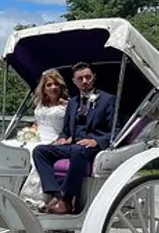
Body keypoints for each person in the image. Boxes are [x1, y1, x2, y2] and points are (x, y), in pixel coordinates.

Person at [32, 62, 117, 215]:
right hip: (72, 146)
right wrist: (63, 139)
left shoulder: (107, 99)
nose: (84, 81)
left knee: (78, 151)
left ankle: (66, 200)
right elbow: (65, 130)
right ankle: (54, 193)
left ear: (94, 78)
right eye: (80, 78)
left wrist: (97, 141)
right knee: (40, 151)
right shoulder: (72, 103)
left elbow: (115, 129)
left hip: (92, 147)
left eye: (88, 77)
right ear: (74, 81)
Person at [18, 69, 69, 207]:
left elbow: (69, 128)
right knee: (13, 146)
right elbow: (37, 122)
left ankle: (38, 198)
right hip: (38, 137)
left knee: (34, 151)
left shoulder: (66, 105)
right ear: (44, 88)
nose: (53, 87)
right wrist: (30, 132)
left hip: (55, 139)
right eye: (49, 85)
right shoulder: (39, 104)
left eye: (56, 84)